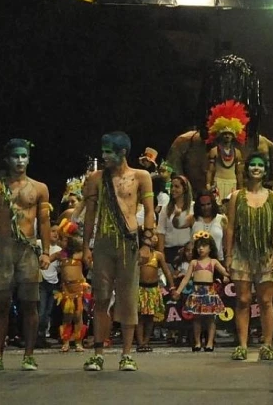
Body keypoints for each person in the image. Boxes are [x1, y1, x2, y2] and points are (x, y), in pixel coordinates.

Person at [82, 131, 155, 372]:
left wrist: (147, 243)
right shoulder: (96, 179)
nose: (104, 156)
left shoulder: (141, 176)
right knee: (101, 298)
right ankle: (98, 353)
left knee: (128, 299)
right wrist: (86, 247)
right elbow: (90, 215)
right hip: (103, 243)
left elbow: (150, 211)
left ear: (122, 152)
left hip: (129, 241)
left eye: (108, 152)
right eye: (103, 151)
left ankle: (126, 354)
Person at [0, 139, 52, 372]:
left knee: (30, 304)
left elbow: (44, 221)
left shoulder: (39, 188)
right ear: (7, 159)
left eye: (24, 156)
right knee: (1, 303)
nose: (20, 160)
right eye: (15, 156)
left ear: (29, 158)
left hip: (28, 250)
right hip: (3, 248)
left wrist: (47, 252)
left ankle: (29, 356)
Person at [225, 153, 273, 361]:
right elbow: (231, 227)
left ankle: (267, 344)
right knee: (242, 299)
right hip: (242, 252)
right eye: (253, 165)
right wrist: (229, 254)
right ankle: (242, 344)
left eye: (260, 165)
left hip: (266, 253)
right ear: (247, 168)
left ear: (265, 170)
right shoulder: (236, 197)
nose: (256, 168)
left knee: (266, 300)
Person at [172, 232, 229, 351]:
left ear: (210, 248)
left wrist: (227, 276)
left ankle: (209, 343)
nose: (201, 248)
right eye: (198, 246)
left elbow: (225, 272)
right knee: (196, 318)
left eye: (204, 246)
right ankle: (197, 342)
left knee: (211, 318)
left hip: (209, 291)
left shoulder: (213, 262)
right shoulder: (194, 262)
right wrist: (178, 291)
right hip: (197, 291)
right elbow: (186, 278)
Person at [205, 100, 249, 201]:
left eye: (229, 134)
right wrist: (208, 184)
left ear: (233, 136)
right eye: (225, 134)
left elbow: (239, 172)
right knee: (218, 205)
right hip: (218, 182)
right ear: (221, 135)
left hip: (232, 182)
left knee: (231, 206)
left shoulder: (237, 152)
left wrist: (241, 187)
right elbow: (210, 170)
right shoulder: (214, 151)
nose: (227, 136)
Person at [54, 224, 88, 353]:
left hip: (79, 288)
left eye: (63, 239)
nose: (60, 241)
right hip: (66, 290)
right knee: (67, 316)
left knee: (78, 316)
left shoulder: (79, 254)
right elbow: (47, 259)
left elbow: (90, 257)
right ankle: (66, 341)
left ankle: (78, 342)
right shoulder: (59, 255)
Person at [136, 246, 174, 353]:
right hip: (140, 288)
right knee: (139, 316)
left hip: (153, 289)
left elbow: (166, 272)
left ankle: (146, 342)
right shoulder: (136, 253)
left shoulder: (158, 255)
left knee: (150, 317)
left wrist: (172, 287)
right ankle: (140, 342)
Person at [156, 174, 193, 262]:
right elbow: (161, 232)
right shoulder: (166, 209)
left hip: (187, 252)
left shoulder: (193, 207)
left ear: (185, 189)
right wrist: (161, 255)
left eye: (177, 187)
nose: (173, 189)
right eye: (172, 186)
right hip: (169, 251)